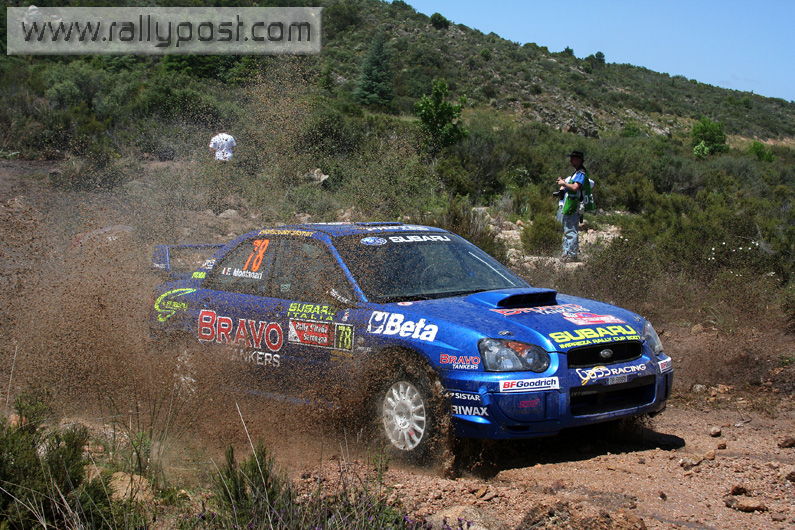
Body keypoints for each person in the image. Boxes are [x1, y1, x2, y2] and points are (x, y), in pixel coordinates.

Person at [555, 150, 592, 262]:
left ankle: (571, 255)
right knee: (568, 229)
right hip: (570, 204)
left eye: (573, 159)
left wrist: (564, 184)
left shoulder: (581, 173)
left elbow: (575, 187)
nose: (571, 161)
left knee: (571, 230)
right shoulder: (577, 172)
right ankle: (566, 253)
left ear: (579, 160)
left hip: (574, 205)